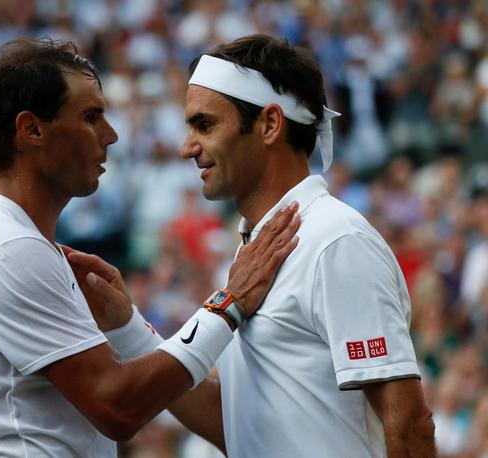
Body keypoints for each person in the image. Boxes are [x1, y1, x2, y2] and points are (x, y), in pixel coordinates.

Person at [68, 34, 437, 457]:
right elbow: (238, 427)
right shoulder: (257, 248)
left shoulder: (336, 241)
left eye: (204, 125)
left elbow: (408, 424)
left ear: (269, 125)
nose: (187, 147)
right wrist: (129, 327)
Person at [0, 38, 300, 456]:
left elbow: (216, 423)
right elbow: (117, 407)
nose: (111, 135)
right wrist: (228, 303)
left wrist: (127, 327)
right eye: (91, 117)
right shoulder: (6, 247)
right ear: (31, 129)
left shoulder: (16, 244)